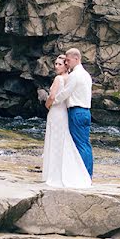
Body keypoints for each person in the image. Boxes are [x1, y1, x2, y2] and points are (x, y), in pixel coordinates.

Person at [41, 54, 91, 188]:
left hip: (62, 111)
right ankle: (83, 174)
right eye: (56, 64)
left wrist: (49, 104)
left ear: (67, 65)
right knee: (73, 143)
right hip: (76, 111)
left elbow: (57, 96)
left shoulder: (63, 78)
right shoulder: (83, 75)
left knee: (62, 142)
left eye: (61, 63)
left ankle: (77, 174)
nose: (56, 66)